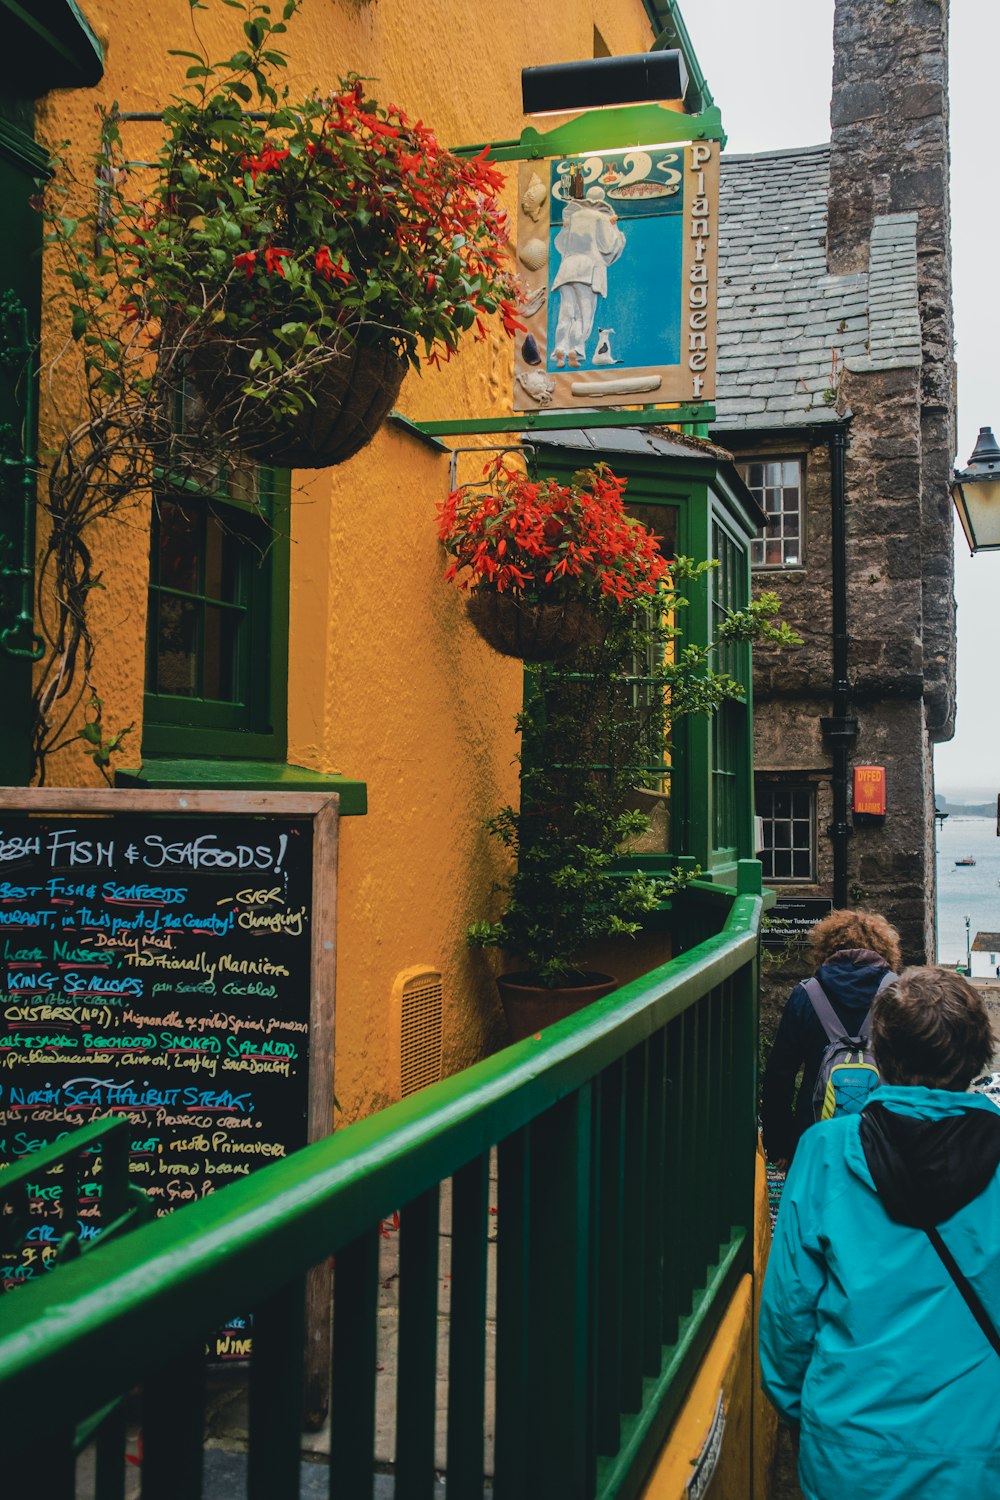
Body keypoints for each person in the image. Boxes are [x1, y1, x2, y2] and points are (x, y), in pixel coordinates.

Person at [759, 967, 1000, 1499]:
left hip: (850, 1447)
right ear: (978, 1055)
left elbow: (788, 1311)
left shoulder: (824, 1150)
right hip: (980, 1448)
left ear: (881, 1055)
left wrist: (799, 1411)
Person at [761, 908, 901, 1169]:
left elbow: (780, 1074)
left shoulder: (805, 995)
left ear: (826, 949)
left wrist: (780, 1142)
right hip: (884, 1136)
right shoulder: (898, 994)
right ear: (886, 950)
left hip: (815, 1133)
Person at [550, 186, 625, 369]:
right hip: (588, 270)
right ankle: (576, 350)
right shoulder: (601, 218)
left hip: (567, 268)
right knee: (583, 315)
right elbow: (608, 246)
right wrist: (615, 229)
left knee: (566, 312)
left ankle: (560, 347)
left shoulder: (574, 217)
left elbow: (560, 243)